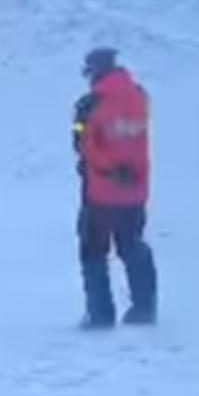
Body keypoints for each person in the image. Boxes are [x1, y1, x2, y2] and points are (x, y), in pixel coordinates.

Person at [72, 46, 158, 329]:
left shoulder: (89, 104)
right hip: (135, 190)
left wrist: (79, 129)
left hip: (99, 191)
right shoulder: (139, 97)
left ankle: (100, 315)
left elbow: (81, 144)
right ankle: (144, 308)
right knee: (132, 245)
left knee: (93, 252)